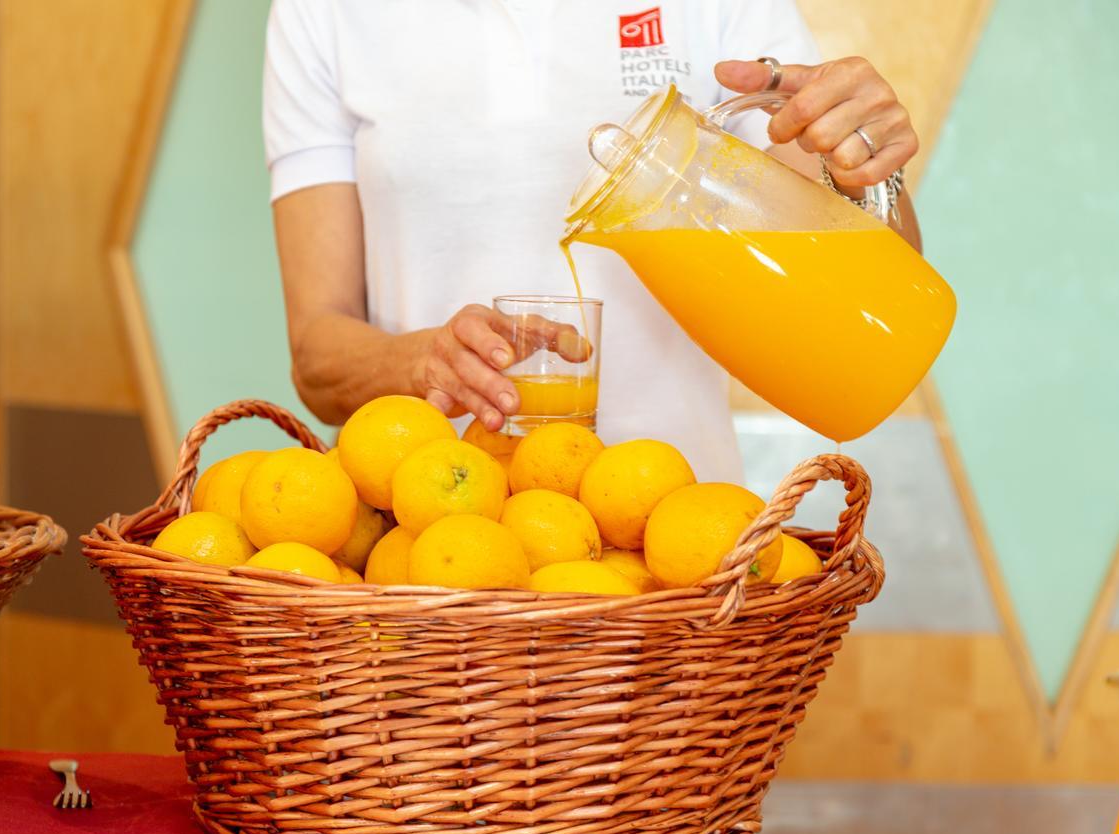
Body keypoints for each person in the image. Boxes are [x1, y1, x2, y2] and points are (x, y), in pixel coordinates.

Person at [263, 1, 921, 483]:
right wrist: (420, 362)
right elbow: (318, 353)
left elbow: (879, 276)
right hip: (432, 554)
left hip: (680, 548)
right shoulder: (321, 13)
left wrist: (866, 163)